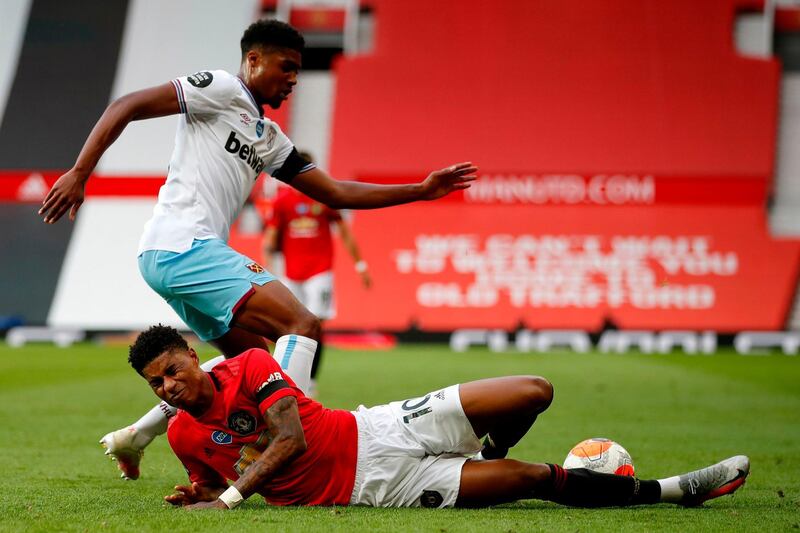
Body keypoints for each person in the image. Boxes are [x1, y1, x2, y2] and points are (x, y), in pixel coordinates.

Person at [37, 19, 477, 479]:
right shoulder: (222, 88)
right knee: (302, 323)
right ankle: (285, 440)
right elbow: (127, 105)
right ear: (253, 60)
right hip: (182, 245)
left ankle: (138, 434)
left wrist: (420, 190)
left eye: (297, 72)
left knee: (253, 362)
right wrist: (80, 172)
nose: (292, 79)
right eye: (285, 67)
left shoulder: (268, 138)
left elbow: (335, 193)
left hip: (172, 256)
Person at [128, 325, 749, 510]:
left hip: (377, 427)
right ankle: (674, 492)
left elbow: (288, 439)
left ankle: (482, 458)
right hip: (377, 488)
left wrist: (228, 500)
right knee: (535, 480)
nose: (169, 386)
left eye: (172, 370)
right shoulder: (182, 433)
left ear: (191, 353)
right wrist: (197, 495)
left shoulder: (252, 364)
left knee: (534, 390)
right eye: (156, 383)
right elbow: (210, 483)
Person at [262, 151, 372, 396]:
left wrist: (360, 265)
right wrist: (267, 265)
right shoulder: (282, 202)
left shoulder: (324, 197)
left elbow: (344, 231)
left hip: (320, 271)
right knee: (291, 327)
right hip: (292, 273)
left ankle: (310, 382)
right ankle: (288, 379)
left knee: (316, 324)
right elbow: (270, 236)